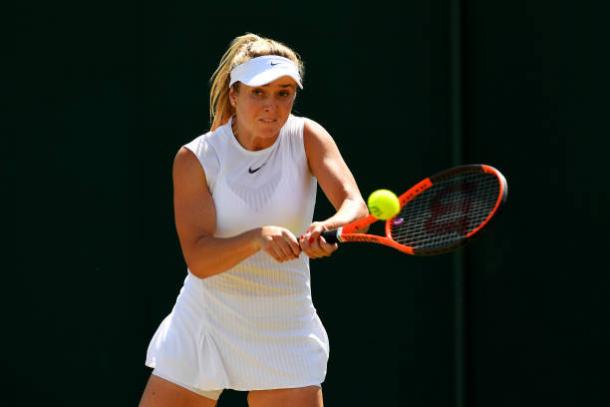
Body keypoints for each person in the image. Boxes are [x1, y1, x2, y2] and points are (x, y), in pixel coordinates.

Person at [139, 33, 368, 407]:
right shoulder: (197, 158)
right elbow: (199, 260)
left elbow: (354, 206)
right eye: (258, 92)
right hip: (205, 324)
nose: (272, 107)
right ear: (234, 94)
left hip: (285, 328)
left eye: (284, 93)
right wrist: (257, 238)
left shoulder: (307, 136)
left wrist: (326, 228)